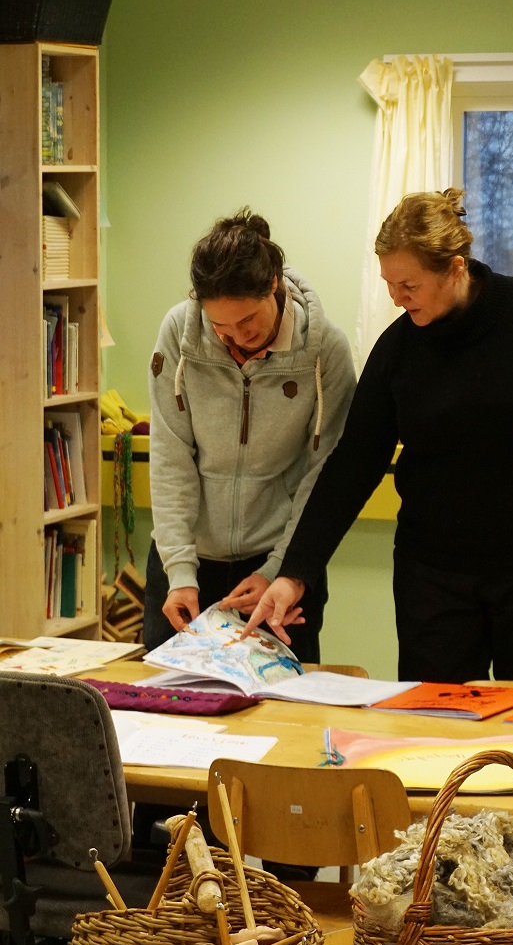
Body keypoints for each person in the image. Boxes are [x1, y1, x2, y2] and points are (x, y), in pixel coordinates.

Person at [237, 188, 513, 689]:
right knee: (433, 720)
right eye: (389, 284)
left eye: (409, 285)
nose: (397, 299)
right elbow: (352, 465)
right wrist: (296, 573)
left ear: (455, 269)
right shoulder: (397, 351)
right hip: (434, 576)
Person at [144, 208, 356, 662]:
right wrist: (179, 572)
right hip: (186, 561)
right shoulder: (179, 334)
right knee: (169, 698)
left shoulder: (326, 351)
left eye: (247, 322)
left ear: (273, 285)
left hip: (279, 563)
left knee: (282, 699)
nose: (235, 338)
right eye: (219, 326)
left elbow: (323, 476)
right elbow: (169, 456)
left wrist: (281, 567)